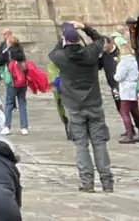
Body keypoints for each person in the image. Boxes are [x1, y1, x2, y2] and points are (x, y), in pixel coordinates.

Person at [49, 20, 114, 194]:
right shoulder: (91, 53)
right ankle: (107, 182)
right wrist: (84, 27)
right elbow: (100, 39)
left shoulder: (60, 57)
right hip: (94, 103)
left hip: (74, 105)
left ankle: (87, 182)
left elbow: (53, 52)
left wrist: (65, 34)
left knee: (81, 144)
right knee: (99, 143)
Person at [111, 35, 139, 143]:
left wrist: (115, 76)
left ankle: (129, 134)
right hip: (134, 87)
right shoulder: (134, 61)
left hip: (126, 88)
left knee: (124, 111)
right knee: (138, 111)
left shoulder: (123, 62)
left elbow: (119, 77)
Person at [0, 35, 28, 137]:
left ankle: (7, 126)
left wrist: (4, 51)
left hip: (12, 81)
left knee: (9, 103)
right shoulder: (21, 51)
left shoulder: (8, 52)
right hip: (22, 81)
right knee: (22, 103)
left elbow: (0, 62)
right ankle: (24, 127)